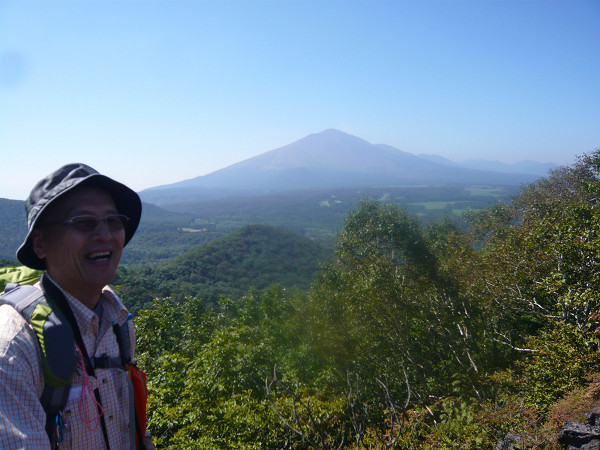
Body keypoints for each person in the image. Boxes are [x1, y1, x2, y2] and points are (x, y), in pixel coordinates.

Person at [0, 163, 154, 449]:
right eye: (83, 222)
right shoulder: (14, 348)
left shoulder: (118, 321)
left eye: (113, 221)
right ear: (40, 245)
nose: (105, 235)